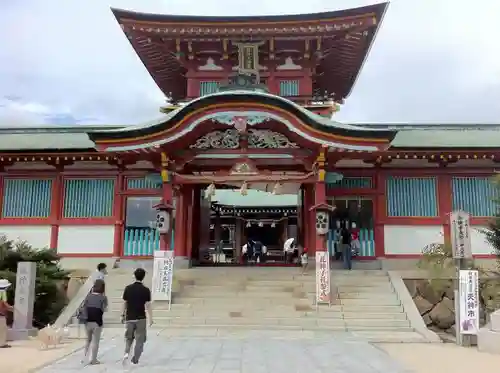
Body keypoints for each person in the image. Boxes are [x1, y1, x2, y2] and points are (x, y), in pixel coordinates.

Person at [121, 268, 153, 365]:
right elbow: (148, 305)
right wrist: (151, 318)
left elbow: (124, 303)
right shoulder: (146, 290)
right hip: (141, 318)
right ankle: (135, 358)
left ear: (134, 276)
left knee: (129, 337)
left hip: (129, 317)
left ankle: (126, 352)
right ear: (143, 277)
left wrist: (122, 314)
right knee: (140, 339)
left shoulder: (128, 288)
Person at [80, 279, 108, 365]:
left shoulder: (88, 296)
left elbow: (84, 307)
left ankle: (85, 358)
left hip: (87, 321)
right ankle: (94, 359)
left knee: (88, 340)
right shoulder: (103, 298)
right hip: (97, 321)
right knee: (96, 341)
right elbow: (104, 309)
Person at [0, 279, 13, 348]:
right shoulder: (2, 293)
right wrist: (12, 308)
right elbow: (5, 304)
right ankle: (2, 344)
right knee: (2, 330)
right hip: (0, 315)